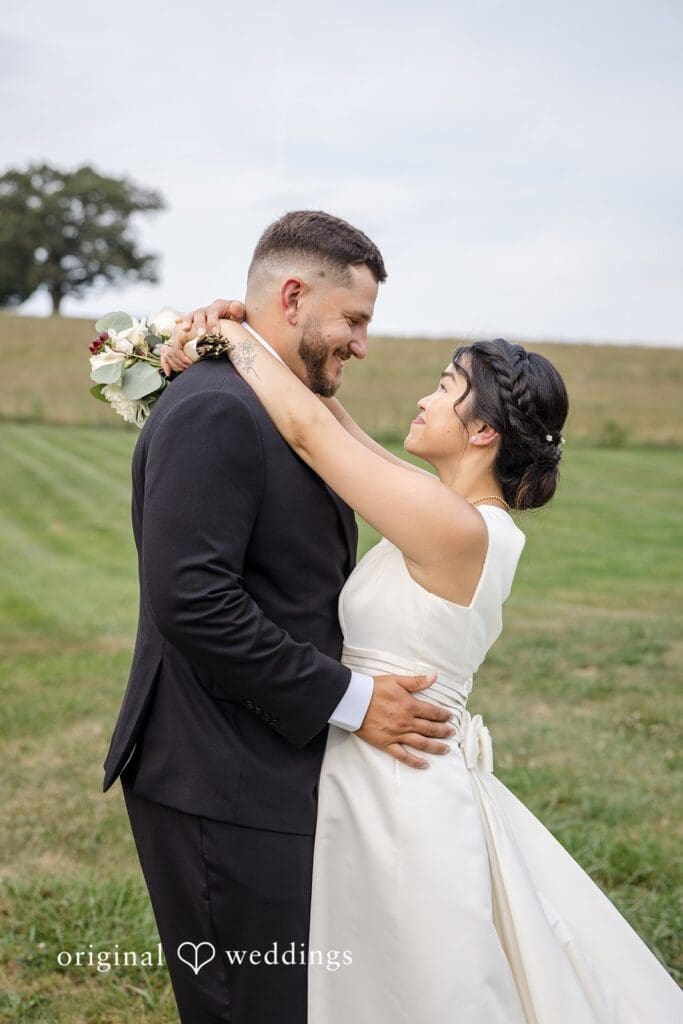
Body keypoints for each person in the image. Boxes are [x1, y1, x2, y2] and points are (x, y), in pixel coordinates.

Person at [167, 306, 683, 1022]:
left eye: (444, 388)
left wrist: (227, 339)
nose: (422, 398)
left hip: (396, 784)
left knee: (409, 984)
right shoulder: (451, 510)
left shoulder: (453, 526)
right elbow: (334, 423)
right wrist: (256, 329)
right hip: (380, 760)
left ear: (481, 430)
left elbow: (310, 433)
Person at [102, 211, 456, 1024]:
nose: (362, 343)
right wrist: (356, 702)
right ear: (292, 295)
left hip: (266, 765)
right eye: (353, 320)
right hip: (212, 775)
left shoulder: (283, 404)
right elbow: (193, 602)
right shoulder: (216, 409)